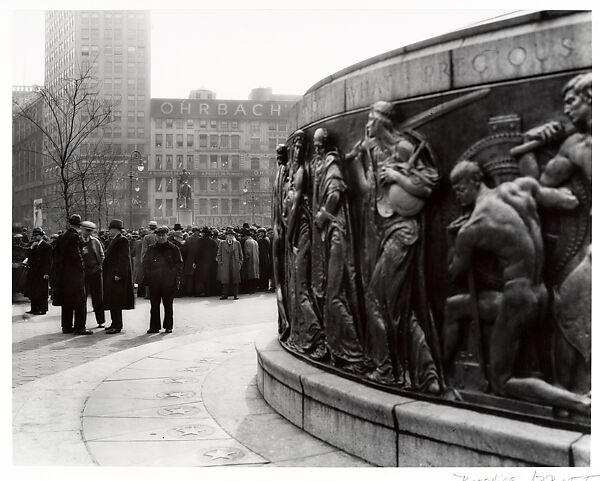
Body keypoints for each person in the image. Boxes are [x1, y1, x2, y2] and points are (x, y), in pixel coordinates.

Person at [447, 160, 589, 415]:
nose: (457, 196)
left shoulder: (473, 226)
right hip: (542, 294)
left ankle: (581, 404)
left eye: (459, 188)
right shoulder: (521, 188)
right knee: (455, 305)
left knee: (502, 380)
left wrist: (456, 242)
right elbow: (569, 201)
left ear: (475, 181)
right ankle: (563, 398)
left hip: (517, 299)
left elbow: (455, 273)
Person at [345, 101, 441, 389]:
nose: (367, 125)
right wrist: (361, 159)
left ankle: (388, 370)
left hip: (402, 231)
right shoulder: (374, 152)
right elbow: (367, 193)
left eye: (371, 120)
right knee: (396, 306)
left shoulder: (402, 148)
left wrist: (398, 175)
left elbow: (428, 186)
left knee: (378, 300)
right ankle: (426, 374)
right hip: (383, 230)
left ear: (382, 122)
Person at [51, 214, 91, 335]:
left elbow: (56, 254)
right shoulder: (75, 237)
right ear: (79, 225)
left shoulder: (61, 237)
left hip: (64, 275)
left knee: (67, 301)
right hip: (75, 274)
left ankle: (66, 326)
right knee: (80, 301)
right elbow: (76, 256)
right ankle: (80, 327)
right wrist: (83, 265)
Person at [143, 225, 183, 333]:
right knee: (154, 306)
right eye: (159, 235)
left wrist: (171, 275)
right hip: (154, 281)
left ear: (167, 235)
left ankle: (168, 326)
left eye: (163, 235)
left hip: (169, 282)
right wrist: (150, 275)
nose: (161, 237)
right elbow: (145, 263)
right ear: (156, 236)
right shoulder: (151, 249)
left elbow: (179, 264)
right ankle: (154, 327)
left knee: (168, 305)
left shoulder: (174, 248)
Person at [102, 219, 135, 334]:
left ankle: (117, 325)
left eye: (110, 229)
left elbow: (123, 259)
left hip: (116, 276)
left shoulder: (122, 240)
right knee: (112, 300)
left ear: (115, 229)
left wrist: (119, 274)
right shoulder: (114, 240)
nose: (109, 231)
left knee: (116, 301)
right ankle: (113, 323)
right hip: (111, 274)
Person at [80, 221, 105, 327]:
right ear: (82, 229)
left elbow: (102, 255)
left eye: (90, 231)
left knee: (98, 297)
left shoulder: (95, 241)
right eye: (87, 230)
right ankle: (81, 323)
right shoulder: (78, 241)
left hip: (95, 272)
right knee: (82, 298)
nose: (88, 233)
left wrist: (99, 266)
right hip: (82, 273)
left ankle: (100, 321)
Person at [24, 227, 52, 315]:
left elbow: (49, 261)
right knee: (34, 290)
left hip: (42, 272)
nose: (34, 237)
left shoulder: (47, 246)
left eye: (37, 235)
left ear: (41, 236)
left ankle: (43, 309)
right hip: (33, 272)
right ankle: (34, 308)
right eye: (34, 235)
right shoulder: (33, 245)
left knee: (42, 291)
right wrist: (31, 249)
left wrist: (47, 273)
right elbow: (29, 257)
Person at [217, 226, 243, 300]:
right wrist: (220, 263)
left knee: (235, 281)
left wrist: (240, 263)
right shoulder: (222, 243)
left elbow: (241, 255)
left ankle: (235, 294)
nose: (230, 237)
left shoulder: (237, 243)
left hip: (235, 264)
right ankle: (224, 295)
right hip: (225, 265)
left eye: (232, 235)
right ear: (226, 236)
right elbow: (219, 254)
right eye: (229, 235)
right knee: (225, 281)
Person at [139, 220, 158, 298]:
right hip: (158, 259)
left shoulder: (146, 237)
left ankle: (148, 294)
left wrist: (142, 260)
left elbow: (144, 250)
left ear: (149, 227)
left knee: (148, 276)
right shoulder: (158, 236)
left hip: (148, 260)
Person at [183, 226, 202, 296]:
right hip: (197, 259)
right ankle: (197, 291)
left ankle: (188, 291)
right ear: (197, 231)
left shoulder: (187, 239)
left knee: (189, 277)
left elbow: (185, 250)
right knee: (197, 276)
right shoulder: (200, 239)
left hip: (189, 259)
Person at [242, 227, 259, 293]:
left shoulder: (247, 242)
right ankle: (254, 289)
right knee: (254, 274)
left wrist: (244, 261)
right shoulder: (255, 241)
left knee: (249, 275)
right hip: (255, 260)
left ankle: (249, 289)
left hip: (250, 261)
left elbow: (247, 253)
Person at [256, 227, 272, 291]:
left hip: (264, 259)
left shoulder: (264, 240)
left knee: (263, 273)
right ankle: (265, 286)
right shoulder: (266, 239)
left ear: (263, 233)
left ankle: (263, 287)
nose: (259, 234)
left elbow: (263, 251)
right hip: (266, 258)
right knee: (265, 273)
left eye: (260, 232)